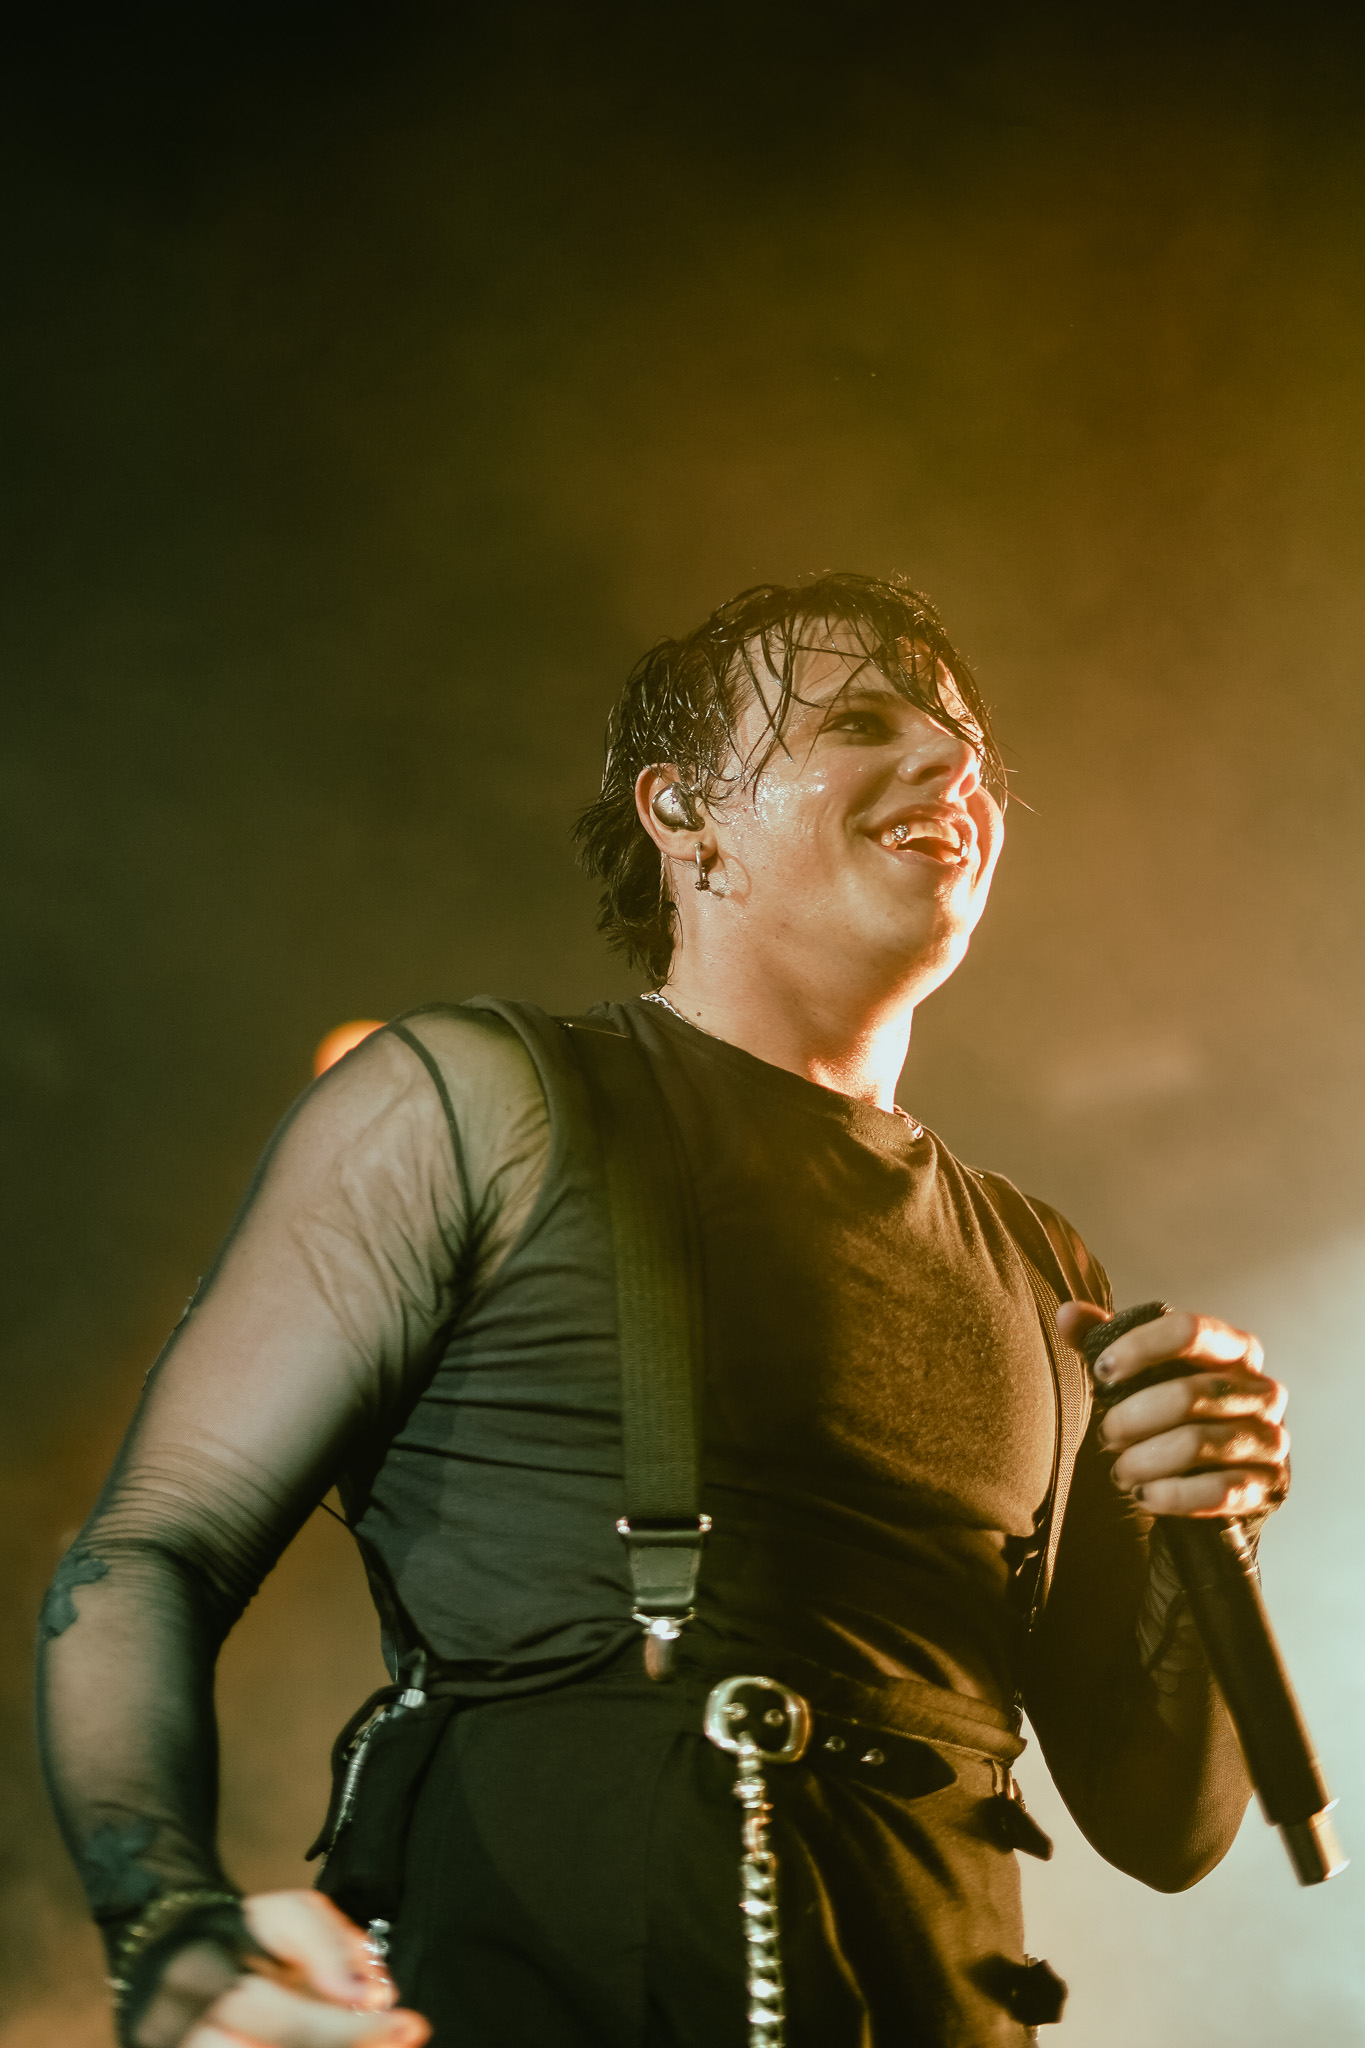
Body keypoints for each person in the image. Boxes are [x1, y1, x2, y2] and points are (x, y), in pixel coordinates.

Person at [37, 574, 1290, 2048]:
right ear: (683, 813)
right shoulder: (482, 1102)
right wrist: (163, 1918)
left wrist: (1208, 1528)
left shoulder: (1041, 1264)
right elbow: (154, 1546)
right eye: (859, 722)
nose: (952, 761)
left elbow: (1166, 1824)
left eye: (967, 741)